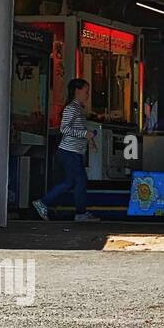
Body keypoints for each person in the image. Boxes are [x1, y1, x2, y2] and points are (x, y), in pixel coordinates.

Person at [32, 78, 99, 221]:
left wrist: (89, 140)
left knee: (71, 182)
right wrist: (85, 135)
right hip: (69, 152)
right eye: (86, 91)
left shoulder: (78, 108)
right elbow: (65, 128)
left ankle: (44, 202)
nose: (87, 94)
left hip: (73, 152)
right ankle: (79, 213)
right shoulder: (71, 108)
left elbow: (78, 129)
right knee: (80, 181)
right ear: (77, 91)